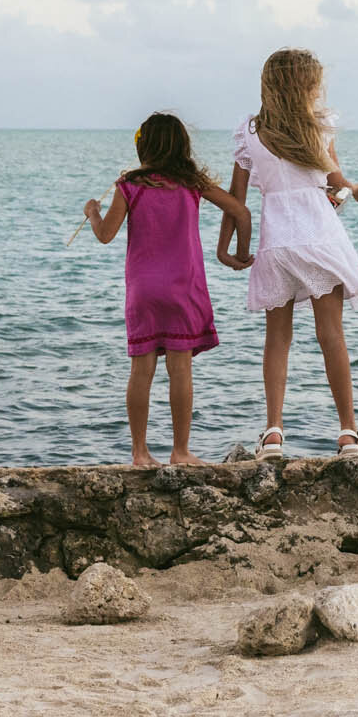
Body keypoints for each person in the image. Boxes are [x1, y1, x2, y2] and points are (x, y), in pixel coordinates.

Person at [218, 48, 358, 459]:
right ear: (308, 85)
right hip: (320, 239)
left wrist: (230, 248)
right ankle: (348, 433)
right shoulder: (319, 128)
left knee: (277, 340)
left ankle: (273, 432)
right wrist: (357, 191)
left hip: (276, 244)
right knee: (332, 336)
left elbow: (237, 202)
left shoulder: (250, 133)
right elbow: (337, 186)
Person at [82, 113, 252, 467]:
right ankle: (180, 451)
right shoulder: (192, 183)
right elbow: (239, 210)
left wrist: (93, 212)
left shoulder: (129, 185)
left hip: (143, 290)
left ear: (143, 146)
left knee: (141, 370)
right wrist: (234, 252)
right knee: (180, 369)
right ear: (181, 146)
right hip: (183, 288)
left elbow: (105, 235)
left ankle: (140, 453)